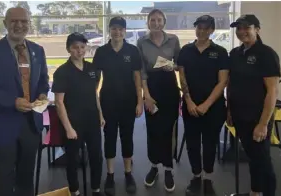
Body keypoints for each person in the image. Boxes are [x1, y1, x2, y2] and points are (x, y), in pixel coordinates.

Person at [0, 7, 49, 196]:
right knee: (1, 183)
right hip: (2, 128)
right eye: (14, 21)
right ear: (4, 24)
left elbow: (43, 80)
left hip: (31, 127)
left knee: (25, 180)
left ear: (29, 23)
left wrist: (43, 94)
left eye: (24, 21)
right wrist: (12, 101)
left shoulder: (38, 50)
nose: (19, 25)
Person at [228, 15, 280, 196]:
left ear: (257, 28)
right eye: (238, 28)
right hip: (239, 115)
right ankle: (255, 192)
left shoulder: (266, 54)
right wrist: (229, 111)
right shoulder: (235, 53)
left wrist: (263, 123)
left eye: (246, 27)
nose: (242, 32)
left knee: (262, 160)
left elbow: (272, 91)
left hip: (258, 117)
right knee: (252, 157)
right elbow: (231, 84)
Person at [177, 15, 229, 196]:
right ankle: (196, 176)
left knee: (209, 144)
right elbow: (182, 78)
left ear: (212, 30)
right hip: (190, 105)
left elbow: (222, 82)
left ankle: (208, 178)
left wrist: (206, 104)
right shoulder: (185, 50)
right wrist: (189, 101)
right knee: (192, 143)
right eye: (199, 27)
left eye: (206, 28)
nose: (202, 31)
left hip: (214, 108)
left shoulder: (221, 52)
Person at [93, 16, 143, 196]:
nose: (117, 32)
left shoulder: (132, 50)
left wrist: (140, 101)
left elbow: (137, 78)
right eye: (114, 28)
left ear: (125, 31)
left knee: (127, 136)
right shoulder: (101, 52)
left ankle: (128, 174)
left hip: (129, 101)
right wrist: (97, 106)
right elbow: (95, 81)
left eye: (121, 29)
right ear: (110, 30)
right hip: (108, 101)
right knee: (110, 137)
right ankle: (110, 175)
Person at [52, 33, 105, 196]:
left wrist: (100, 115)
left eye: (82, 47)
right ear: (69, 49)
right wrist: (68, 128)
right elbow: (59, 102)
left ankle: (96, 188)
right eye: (75, 47)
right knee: (73, 160)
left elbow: (94, 93)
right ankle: (74, 191)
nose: (79, 51)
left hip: (92, 120)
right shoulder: (62, 72)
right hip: (73, 122)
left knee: (96, 157)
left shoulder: (92, 69)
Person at [137, 9, 181, 192]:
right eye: (152, 20)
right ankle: (154, 166)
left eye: (159, 20)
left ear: (164, 22)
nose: (156, 23)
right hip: (151, 87)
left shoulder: (173, 39)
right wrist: (146, 95)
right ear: (148, 22)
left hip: (169, 87)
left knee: (169, 130)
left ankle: (168, 168)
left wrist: (169, 64)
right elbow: (141, 72)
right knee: (154, 129)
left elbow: (179, 65)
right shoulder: (142, 42)